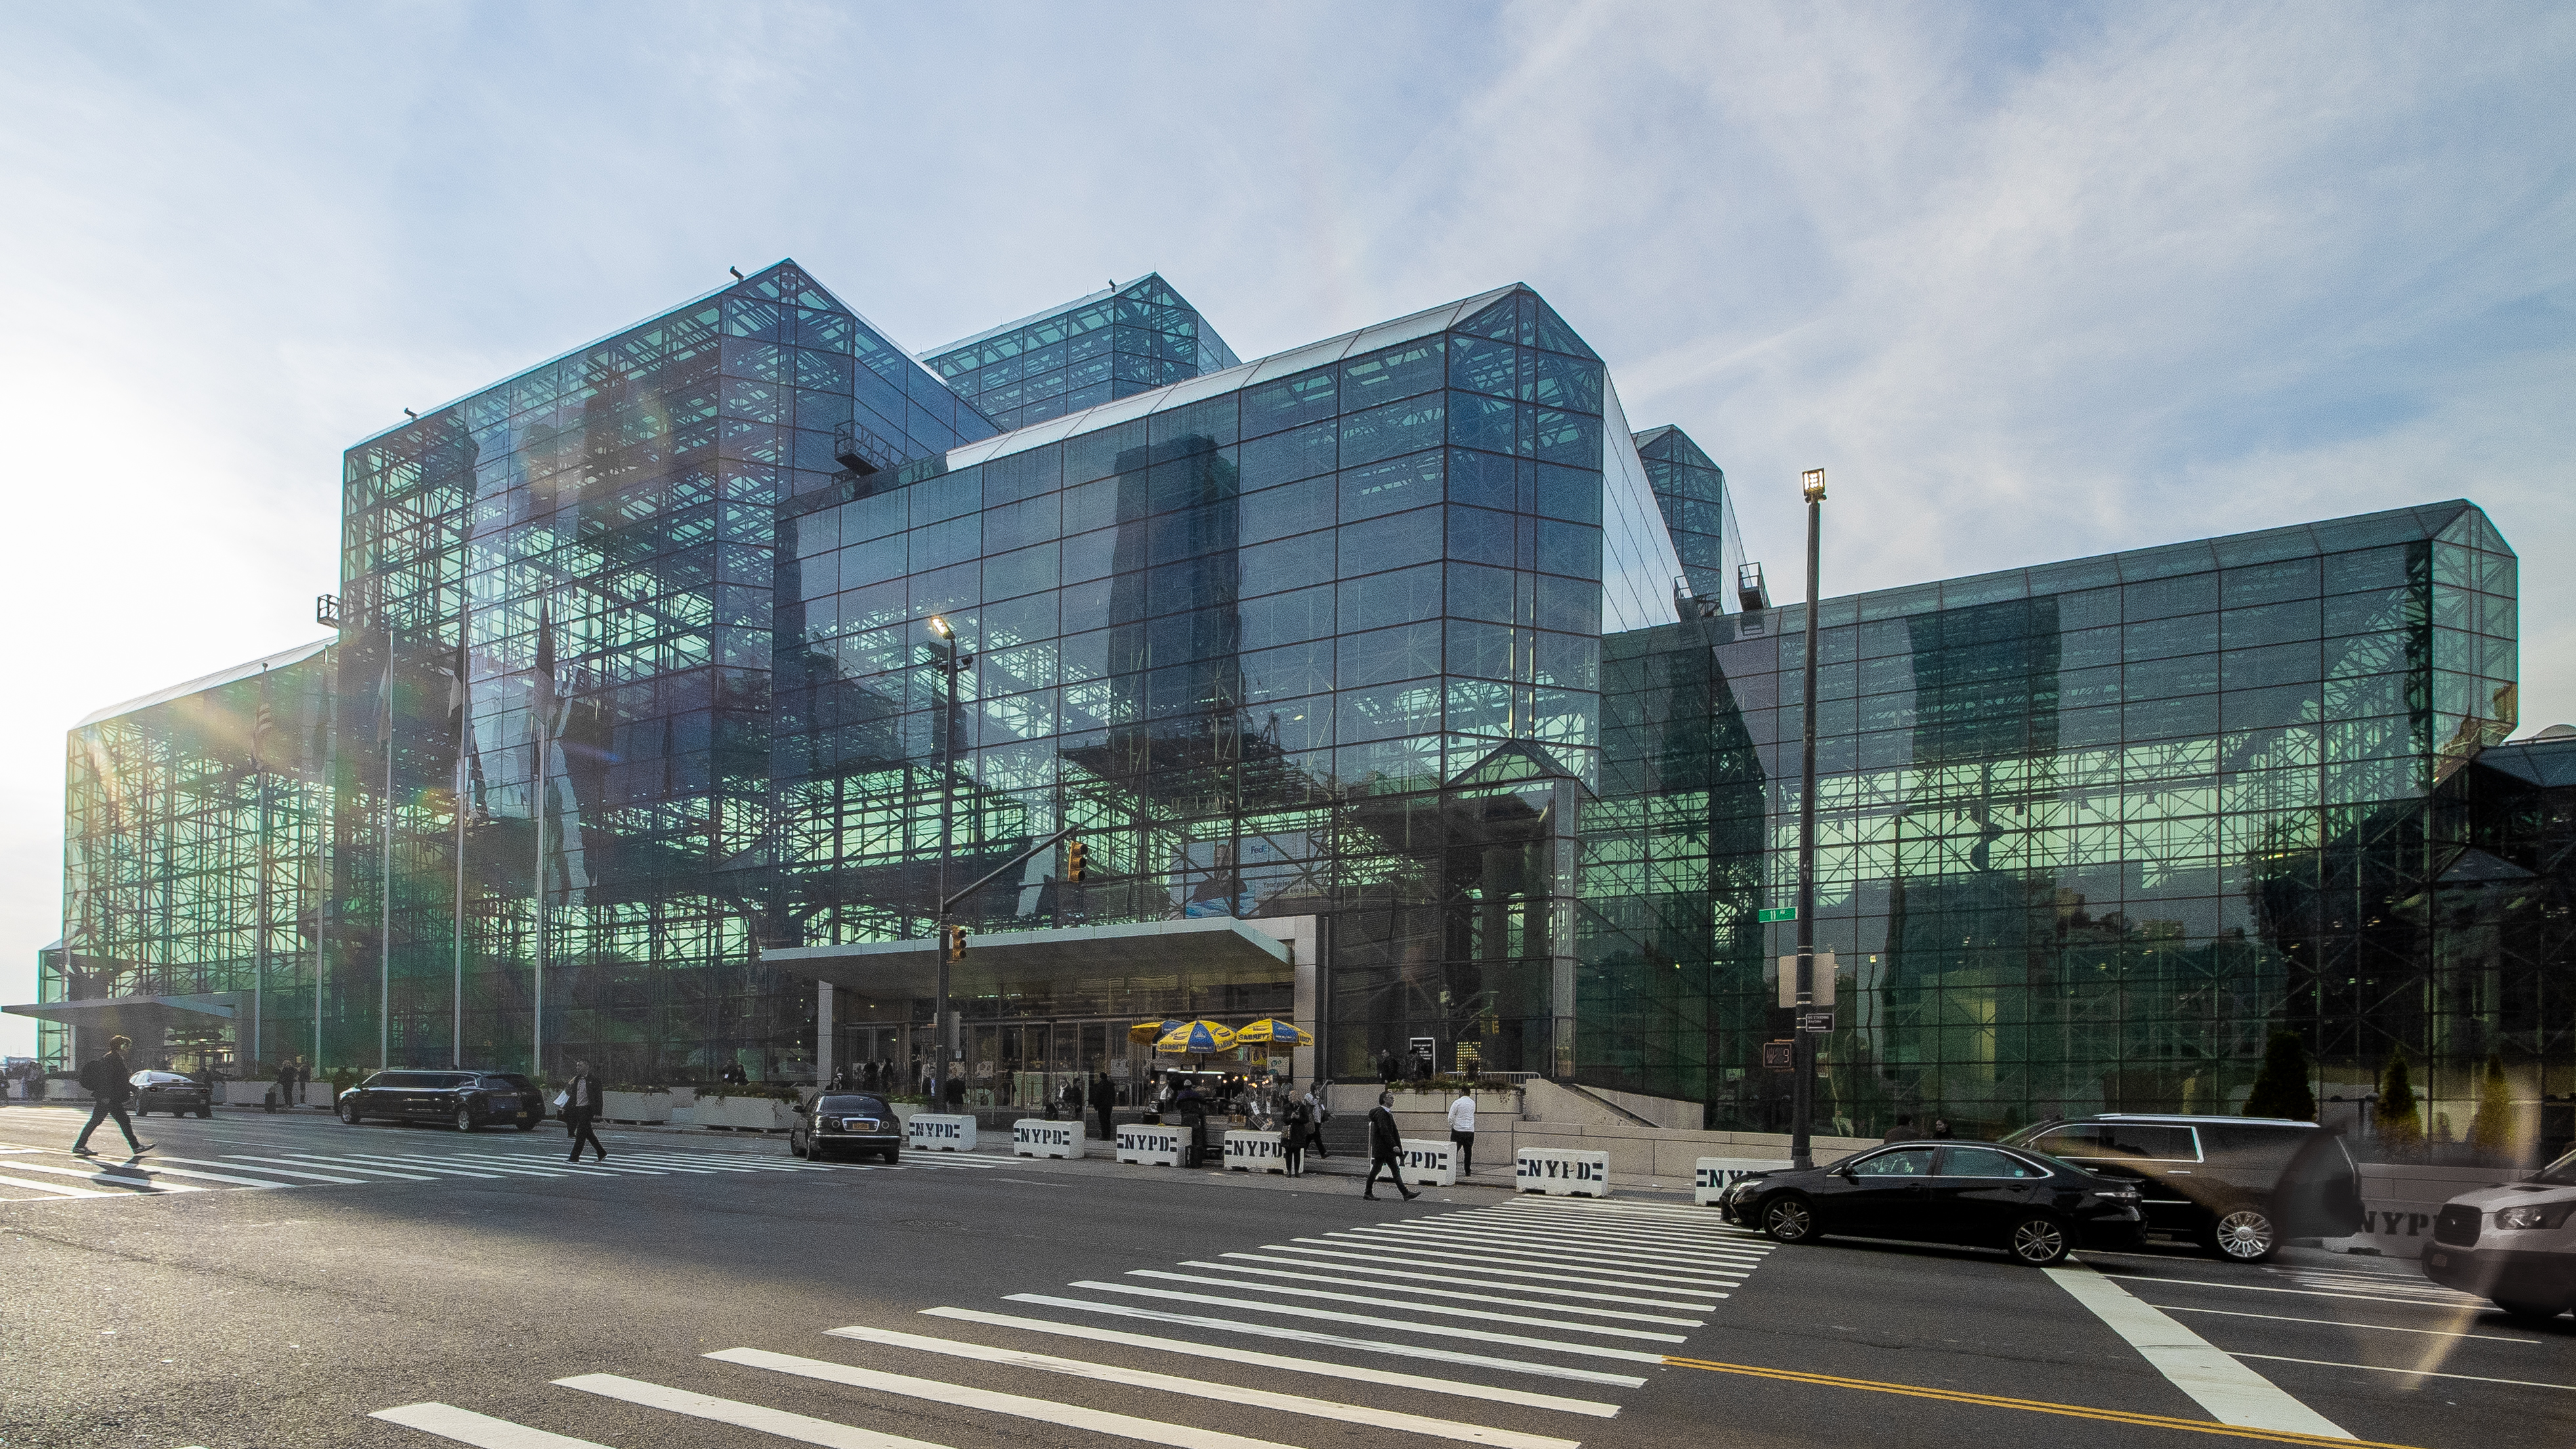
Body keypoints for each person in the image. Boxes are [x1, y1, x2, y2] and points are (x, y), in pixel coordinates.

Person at [72, 1034, 148, 1158]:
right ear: (121, 1046)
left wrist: (134, 1089)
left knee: (109, 1121)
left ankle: (80, 1146)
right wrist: (107, 1096)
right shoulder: (112, 1059)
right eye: (126, 1046)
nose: (128, 1048)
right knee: (113, 1121)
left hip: (109, 1097)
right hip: (108, 1098)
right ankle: (135, 1147)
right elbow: (109, 1080)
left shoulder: (113, 1058)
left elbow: (119, 1080)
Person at [1363, 1090, 1416, 1200]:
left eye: (1392, 1097)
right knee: (1377, 1170)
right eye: (1390, 1097)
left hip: (1386, 1149)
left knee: (1394, 1170)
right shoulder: (1382, 1113)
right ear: (1384, 1100)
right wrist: (1394, 1145)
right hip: (1383, 1148)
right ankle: (1368, 1192)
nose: (1393, 1099)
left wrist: (1396, 1146)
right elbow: (1385, 1131)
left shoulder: (1387, 1113)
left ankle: (1405, 1193)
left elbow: (1393, 1132)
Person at [560, 1060, 607, 1162]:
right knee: (588, 1133)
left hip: (587, 1110)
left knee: (581, 1134)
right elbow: (573, 1096)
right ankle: (601, 1152)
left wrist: (598, 1113)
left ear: (587, 1067)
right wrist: (566, 1107)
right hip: (577, 1109)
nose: (578, 1068)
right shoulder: (576, 1080)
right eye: (577, 1066)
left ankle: (574, 1157)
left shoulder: (594, 1080)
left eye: (580, 1066)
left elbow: (599, 1098)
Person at [1280, 1085, 1311, 1177]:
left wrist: (1298, 1118)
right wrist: (1290, 1117)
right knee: (1288, 1152)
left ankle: (1296, 1171)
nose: (1288, 1097)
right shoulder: (1286, 1107)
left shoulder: (1302, 1107)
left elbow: (1306, 1119)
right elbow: (1284, 1119)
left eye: (1290, 1095)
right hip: (1289, 1131)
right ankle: (1289, 1171)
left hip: (1298, 1132)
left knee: (1297, 1153)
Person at [1447, 1085, 1477, 1176]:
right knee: (1468, 1152)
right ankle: (1468, 1171)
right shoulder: (1473, 1103)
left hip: (1458, 1130)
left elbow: (1450, 1117)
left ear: (1462, 1092)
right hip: (1470, 1131)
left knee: (1454, 1152)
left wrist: (1452, 1126)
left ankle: (1451, 1171)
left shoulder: (1457, 1103)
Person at [1089, 1070, 1116, 1144]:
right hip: (1109, 1106)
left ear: (1100, 1078)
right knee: (1108, 1120)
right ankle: (1108, 1135)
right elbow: (1113, 1095)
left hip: (1102, 1106)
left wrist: (1096, 1106)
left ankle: (1104, 1135)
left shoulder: (1100, 1086)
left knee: (1103, 1121)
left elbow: (1097, 1097)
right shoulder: (1110, 1085)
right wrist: (1113, 1103)